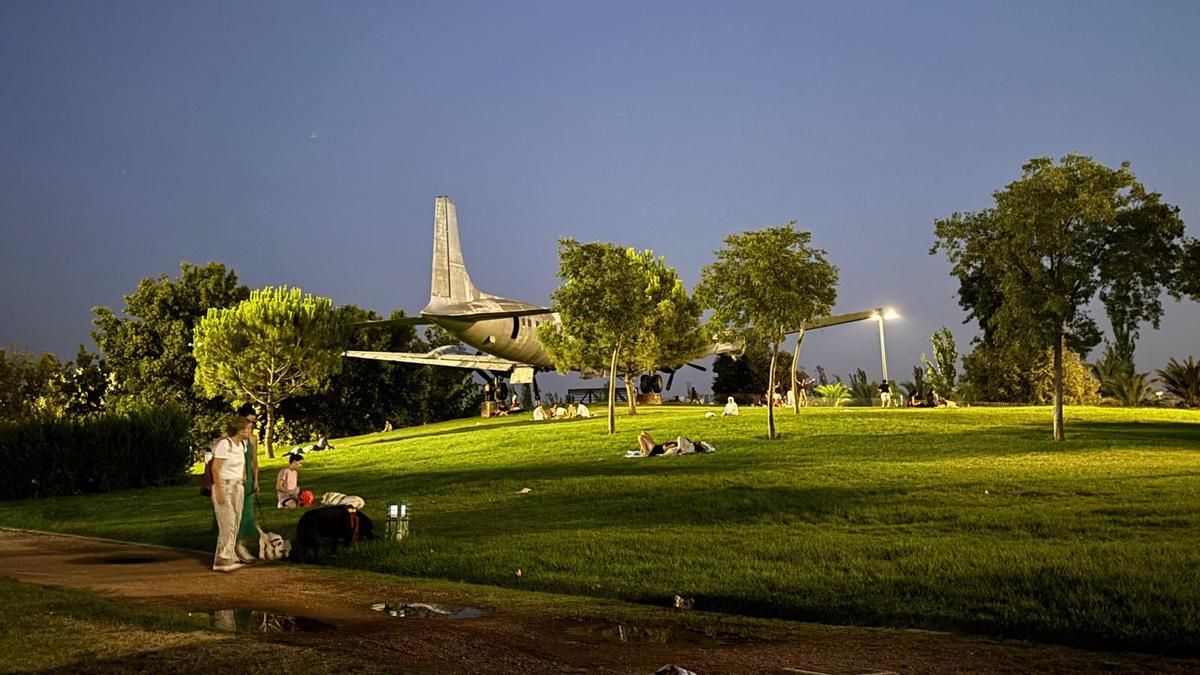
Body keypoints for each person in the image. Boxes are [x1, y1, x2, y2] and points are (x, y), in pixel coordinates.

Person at [210, 415, 253, 572]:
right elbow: (215, 468)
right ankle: (221, 560)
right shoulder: (224, 444)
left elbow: (242, 464)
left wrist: (243, 478)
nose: (249, 431)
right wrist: (219, 490)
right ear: (239, 430)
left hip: (237, 486)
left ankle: (229, 555)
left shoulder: (242, 445)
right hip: (224, 486)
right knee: (227, 523)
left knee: (235, 522)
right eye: (247, 429)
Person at [234, 403, 260, 564]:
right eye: (249, 421)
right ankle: (233, 546)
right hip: (234, 477)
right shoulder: (231, 437)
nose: (251, 425)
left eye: (253, 422)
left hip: (248, 479)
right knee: (235, 513)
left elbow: (253, 460)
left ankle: (241, 545)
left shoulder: (253, 439)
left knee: (247, 514)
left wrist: (256, 480)